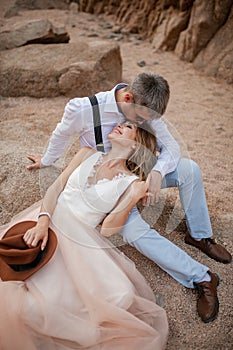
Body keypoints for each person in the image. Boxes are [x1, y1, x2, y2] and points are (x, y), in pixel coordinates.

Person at [27, 72, 232, 323]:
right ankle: (202, 277)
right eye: (140, 119)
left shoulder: (146, 108)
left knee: (190, 170)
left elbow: (173, 148)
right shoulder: (84, 109)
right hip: (104, 184)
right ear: (127, 97)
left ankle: (200, 236)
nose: (145, 123)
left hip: (137, 173)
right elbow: (61, 134)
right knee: (133, 232)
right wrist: (47, 161)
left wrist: (155, 174)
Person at [0, 122, 168, 350]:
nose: (119, 125)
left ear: (137, 143)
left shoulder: (131, 183)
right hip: (49, 218)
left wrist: (132, 198)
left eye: (128, 126)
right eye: (120, 122)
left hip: (80, 239)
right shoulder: (87, 153)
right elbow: (55, 188)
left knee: (57, 304)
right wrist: (42, 222)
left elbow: (108, 229)